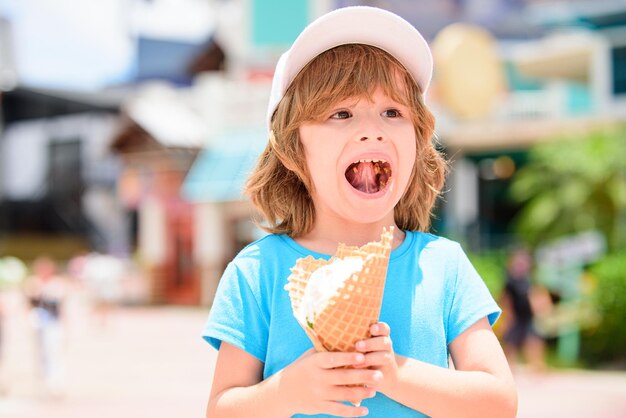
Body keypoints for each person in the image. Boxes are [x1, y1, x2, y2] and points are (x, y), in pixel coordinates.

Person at [202, 6, 516, 418]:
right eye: (341, 113)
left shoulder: (443, 266)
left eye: (393, 112)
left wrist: (394, 373)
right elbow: (221, 409)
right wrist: (287, 391)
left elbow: (499, 402)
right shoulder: (258, 272)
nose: (372, 128)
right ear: (293, 151)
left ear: (418, 143)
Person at [501, 248, 549, 373]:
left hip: (529, 316)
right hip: (516, 317)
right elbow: (506, 300)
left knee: (534, 340)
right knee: (511, 343)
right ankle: (508, 368)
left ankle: (538, 367)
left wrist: (541, 310)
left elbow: (538, 295)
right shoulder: (510, 281)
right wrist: (507, 317)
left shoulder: (530, 280)